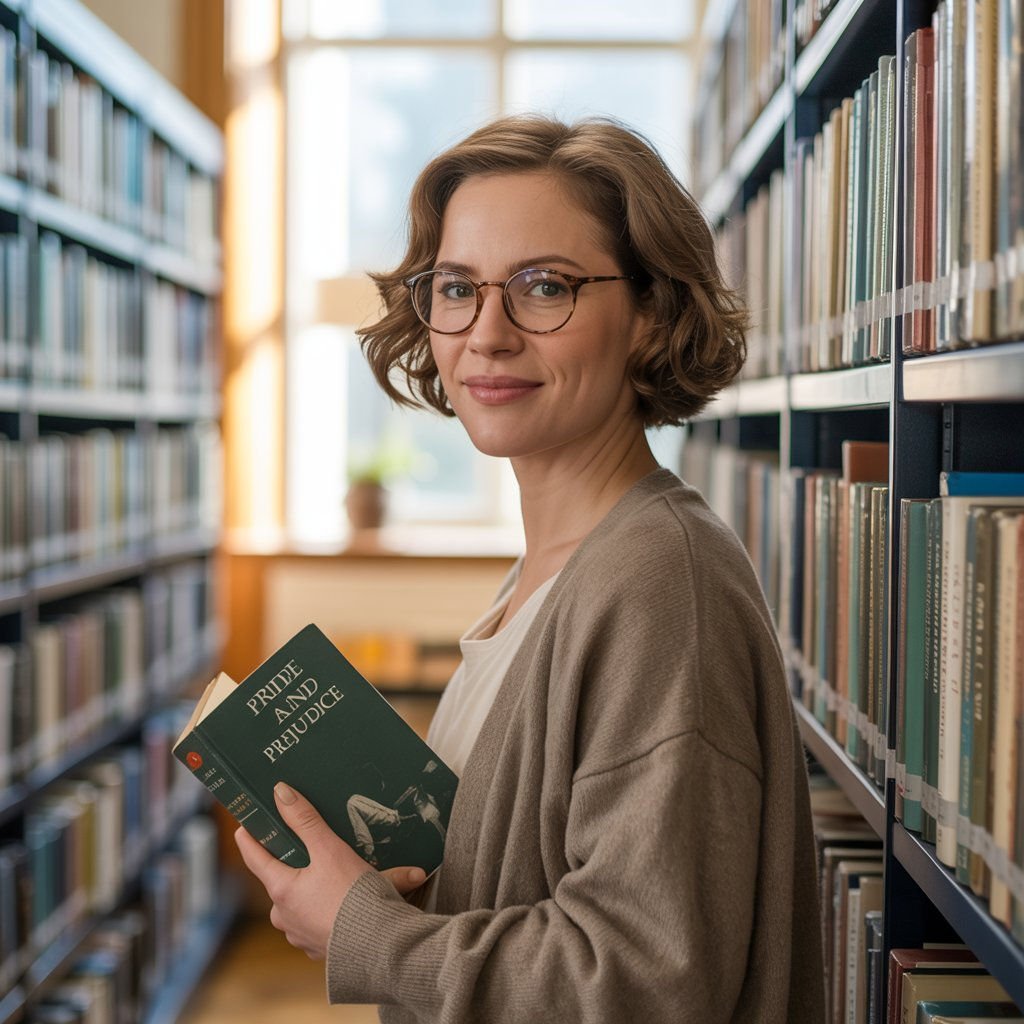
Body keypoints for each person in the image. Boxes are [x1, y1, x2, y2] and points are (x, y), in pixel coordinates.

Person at [235, 115, 826, 1022]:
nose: (489, 334)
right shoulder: (553, 570)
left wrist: (365, 932)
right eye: (457, 288)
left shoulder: (661, 587)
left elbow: (643, 981)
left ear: (651, 314)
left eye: (544, 287)